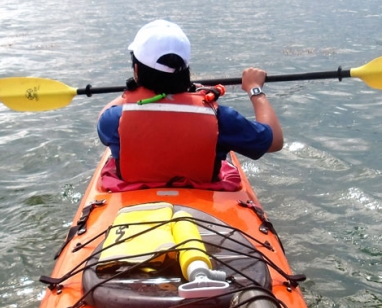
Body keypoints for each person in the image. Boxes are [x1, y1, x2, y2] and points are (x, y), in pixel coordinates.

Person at [96, 20, 283, 191]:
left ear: (136, 70)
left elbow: (102, 118)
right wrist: (255, 89)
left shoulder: (114, 120)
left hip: (133, 203)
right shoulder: (221, 119)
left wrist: (131, 92)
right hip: (203, 201)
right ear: (185, 69)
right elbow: (274, 141)